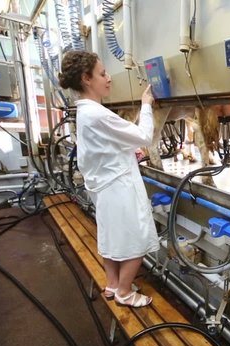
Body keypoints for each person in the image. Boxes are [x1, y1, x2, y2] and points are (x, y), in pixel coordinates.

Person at [58, 50, 159, 307]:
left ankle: (113, 284)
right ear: (86, 78)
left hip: (104, 187)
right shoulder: (97, 114)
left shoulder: (86, 112)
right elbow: (145, 136)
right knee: (137, 240)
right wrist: (146, 105)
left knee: (111, 236)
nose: (109, 78)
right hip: (118, 187)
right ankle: (125, 293)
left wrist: (125, 149)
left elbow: (105, 146)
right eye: (102, 73)